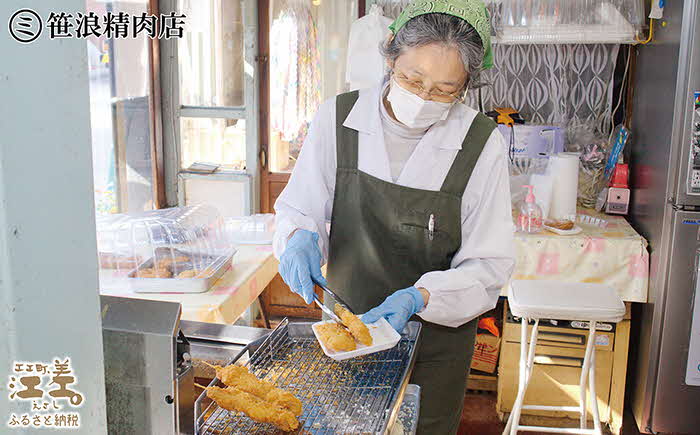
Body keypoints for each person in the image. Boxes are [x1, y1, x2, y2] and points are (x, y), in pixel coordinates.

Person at [273, 0, 515, 433]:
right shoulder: (338, 118)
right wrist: (298, 236)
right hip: (347, 332)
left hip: (434, 343)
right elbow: (301, 205)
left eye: (444, 90)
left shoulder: (482, 146)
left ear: (466, 87)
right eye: (412, 78)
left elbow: (488, 266)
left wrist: (419, 298)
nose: (423, 97)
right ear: (389, 55)